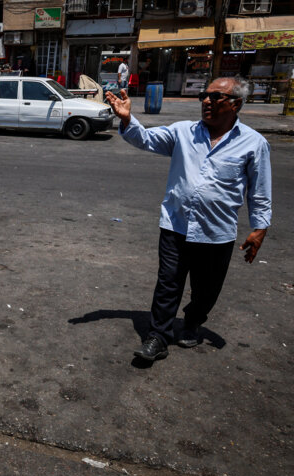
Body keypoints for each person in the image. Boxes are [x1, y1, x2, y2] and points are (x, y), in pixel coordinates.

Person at [105, 77, 272, 362]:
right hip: (176, 225)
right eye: (204, 96)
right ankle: (158, 336)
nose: (207, 101)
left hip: (217, 232)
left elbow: (259, 191)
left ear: (236, 104)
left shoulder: (254, 144)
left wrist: (259, 228)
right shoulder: (183, 132)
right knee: (168, 283)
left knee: (206, 290)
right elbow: (145, 139)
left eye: (216, 97)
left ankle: (194, 321)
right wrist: (127, 118)